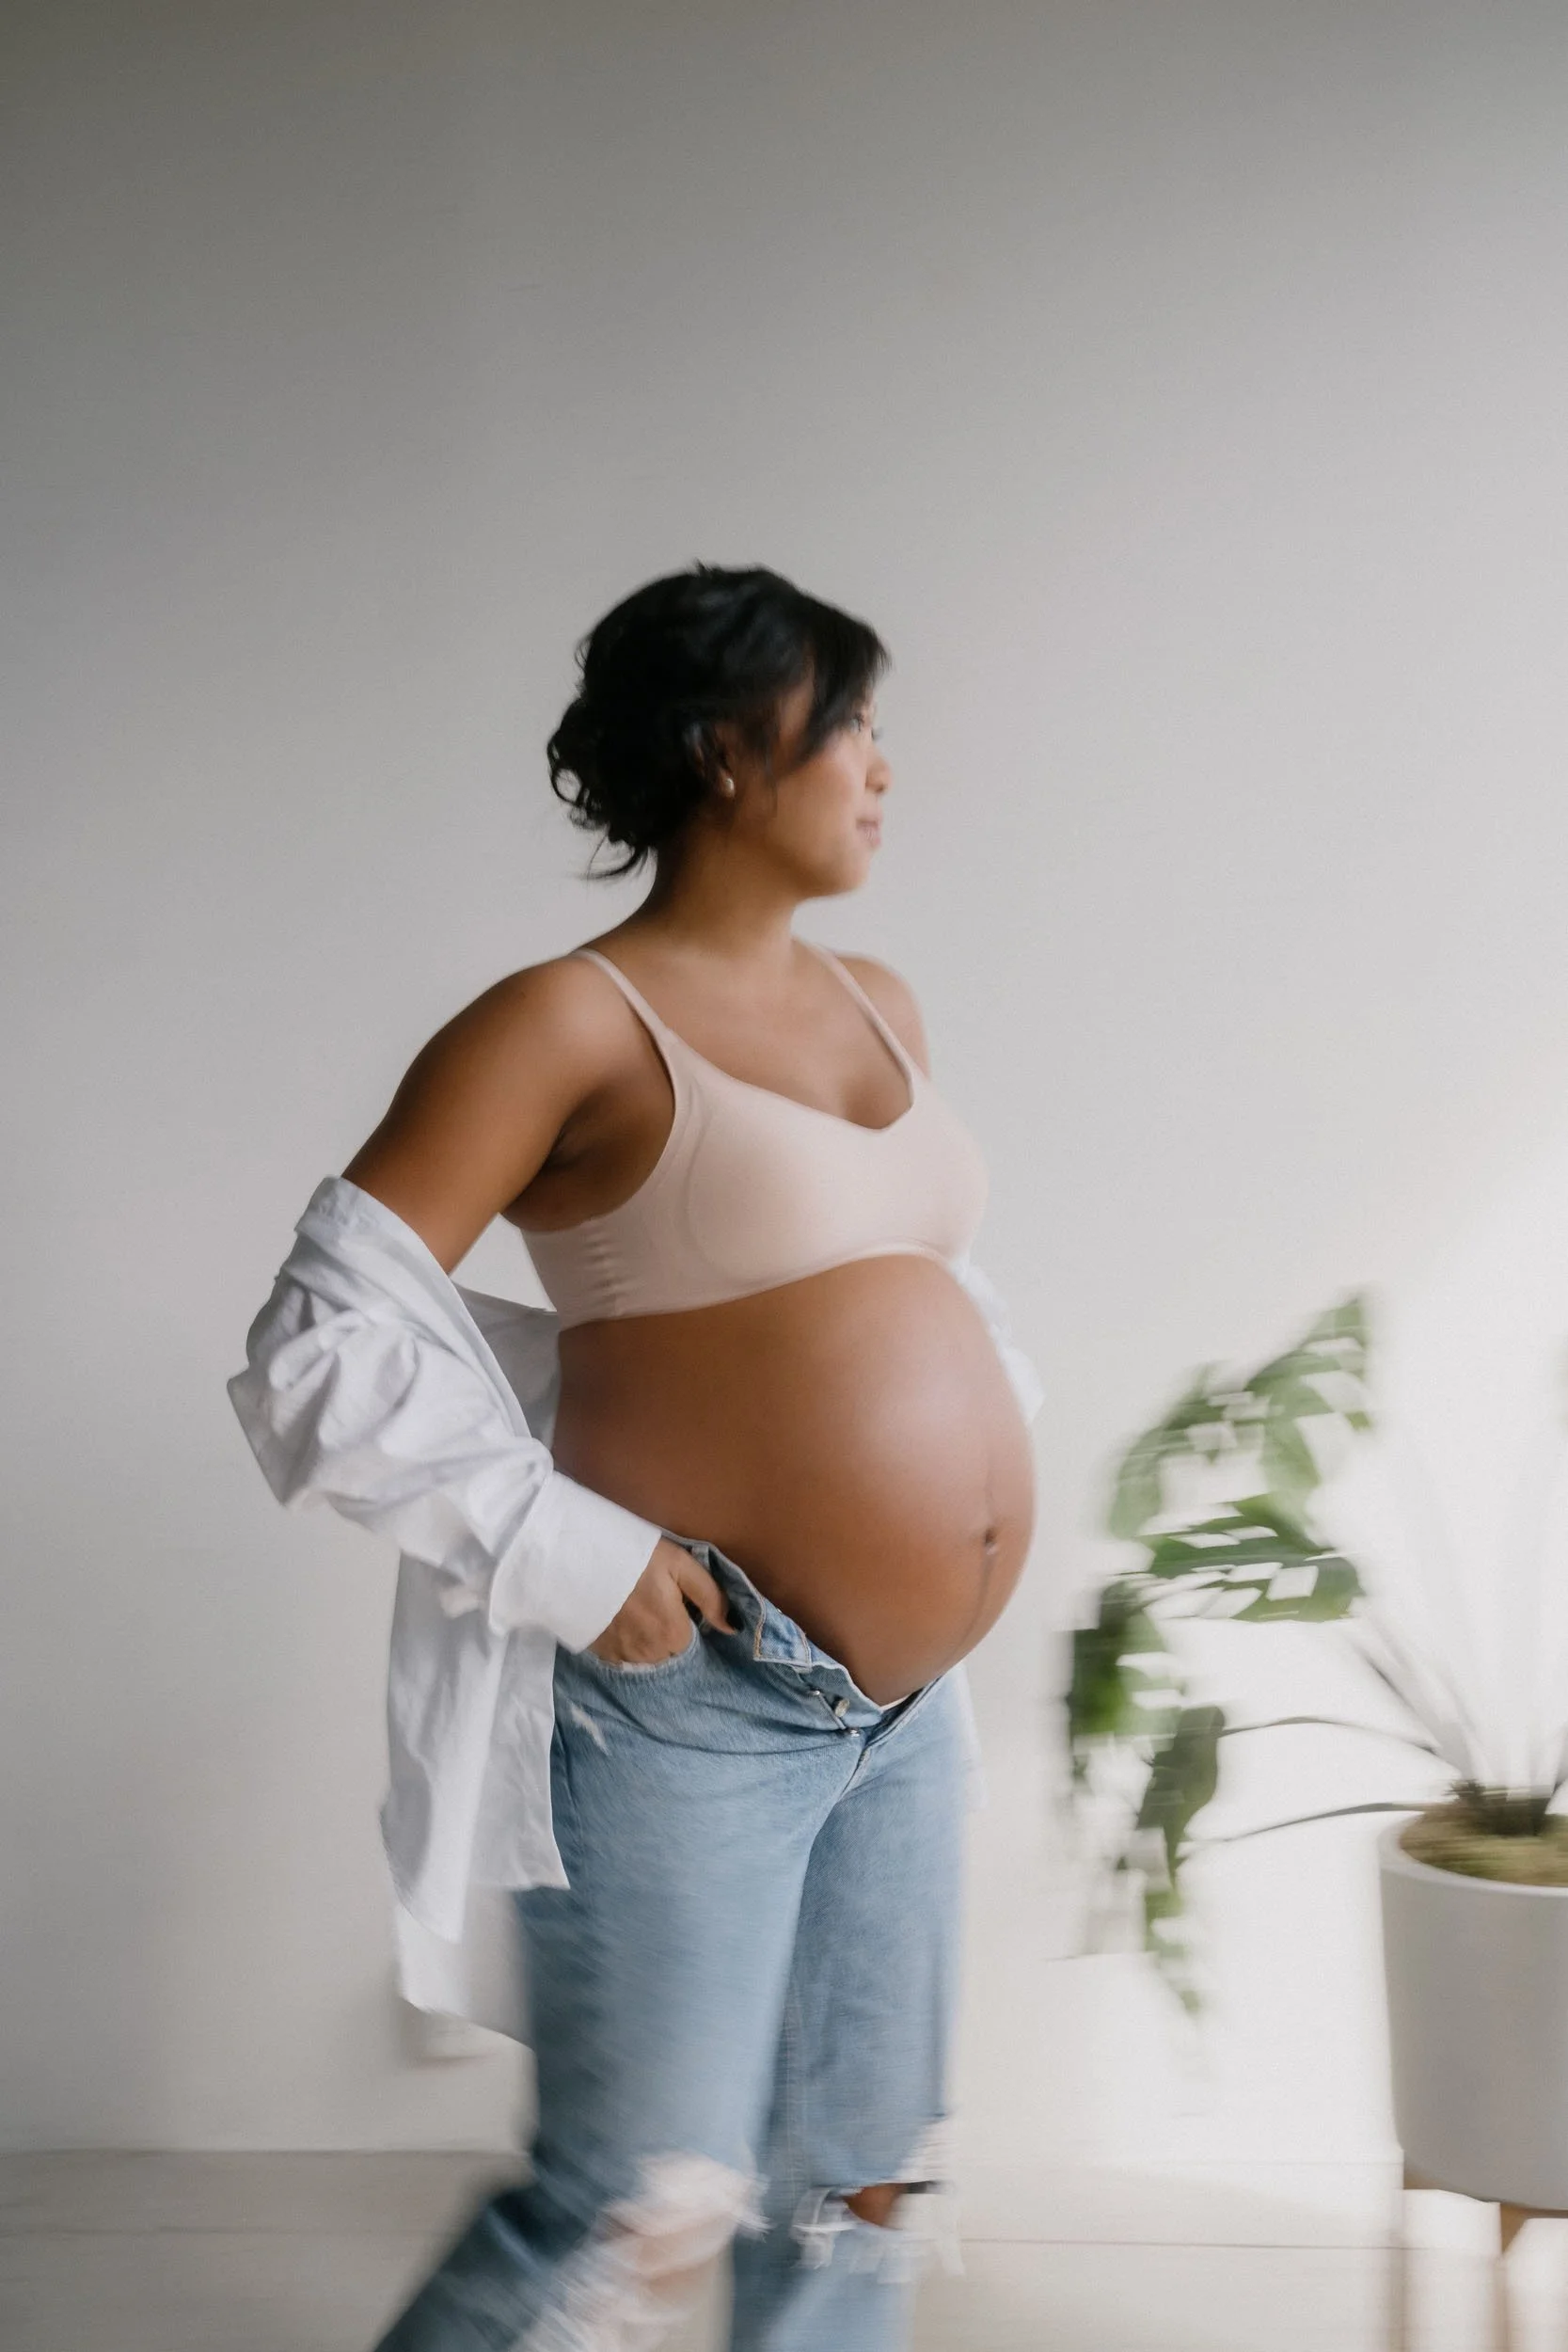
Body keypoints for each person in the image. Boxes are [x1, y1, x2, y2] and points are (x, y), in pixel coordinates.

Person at [229, 564, 1041, 2352]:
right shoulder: (565, 1023)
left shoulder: (884, 1002)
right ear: (726, 753)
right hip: (694, 1691)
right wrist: (575, 1559)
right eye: (852, 725)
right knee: (621, 2209)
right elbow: (319, 1341)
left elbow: (896, 1296)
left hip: (904, 1714)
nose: (884, 768)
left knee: (856, 2193)